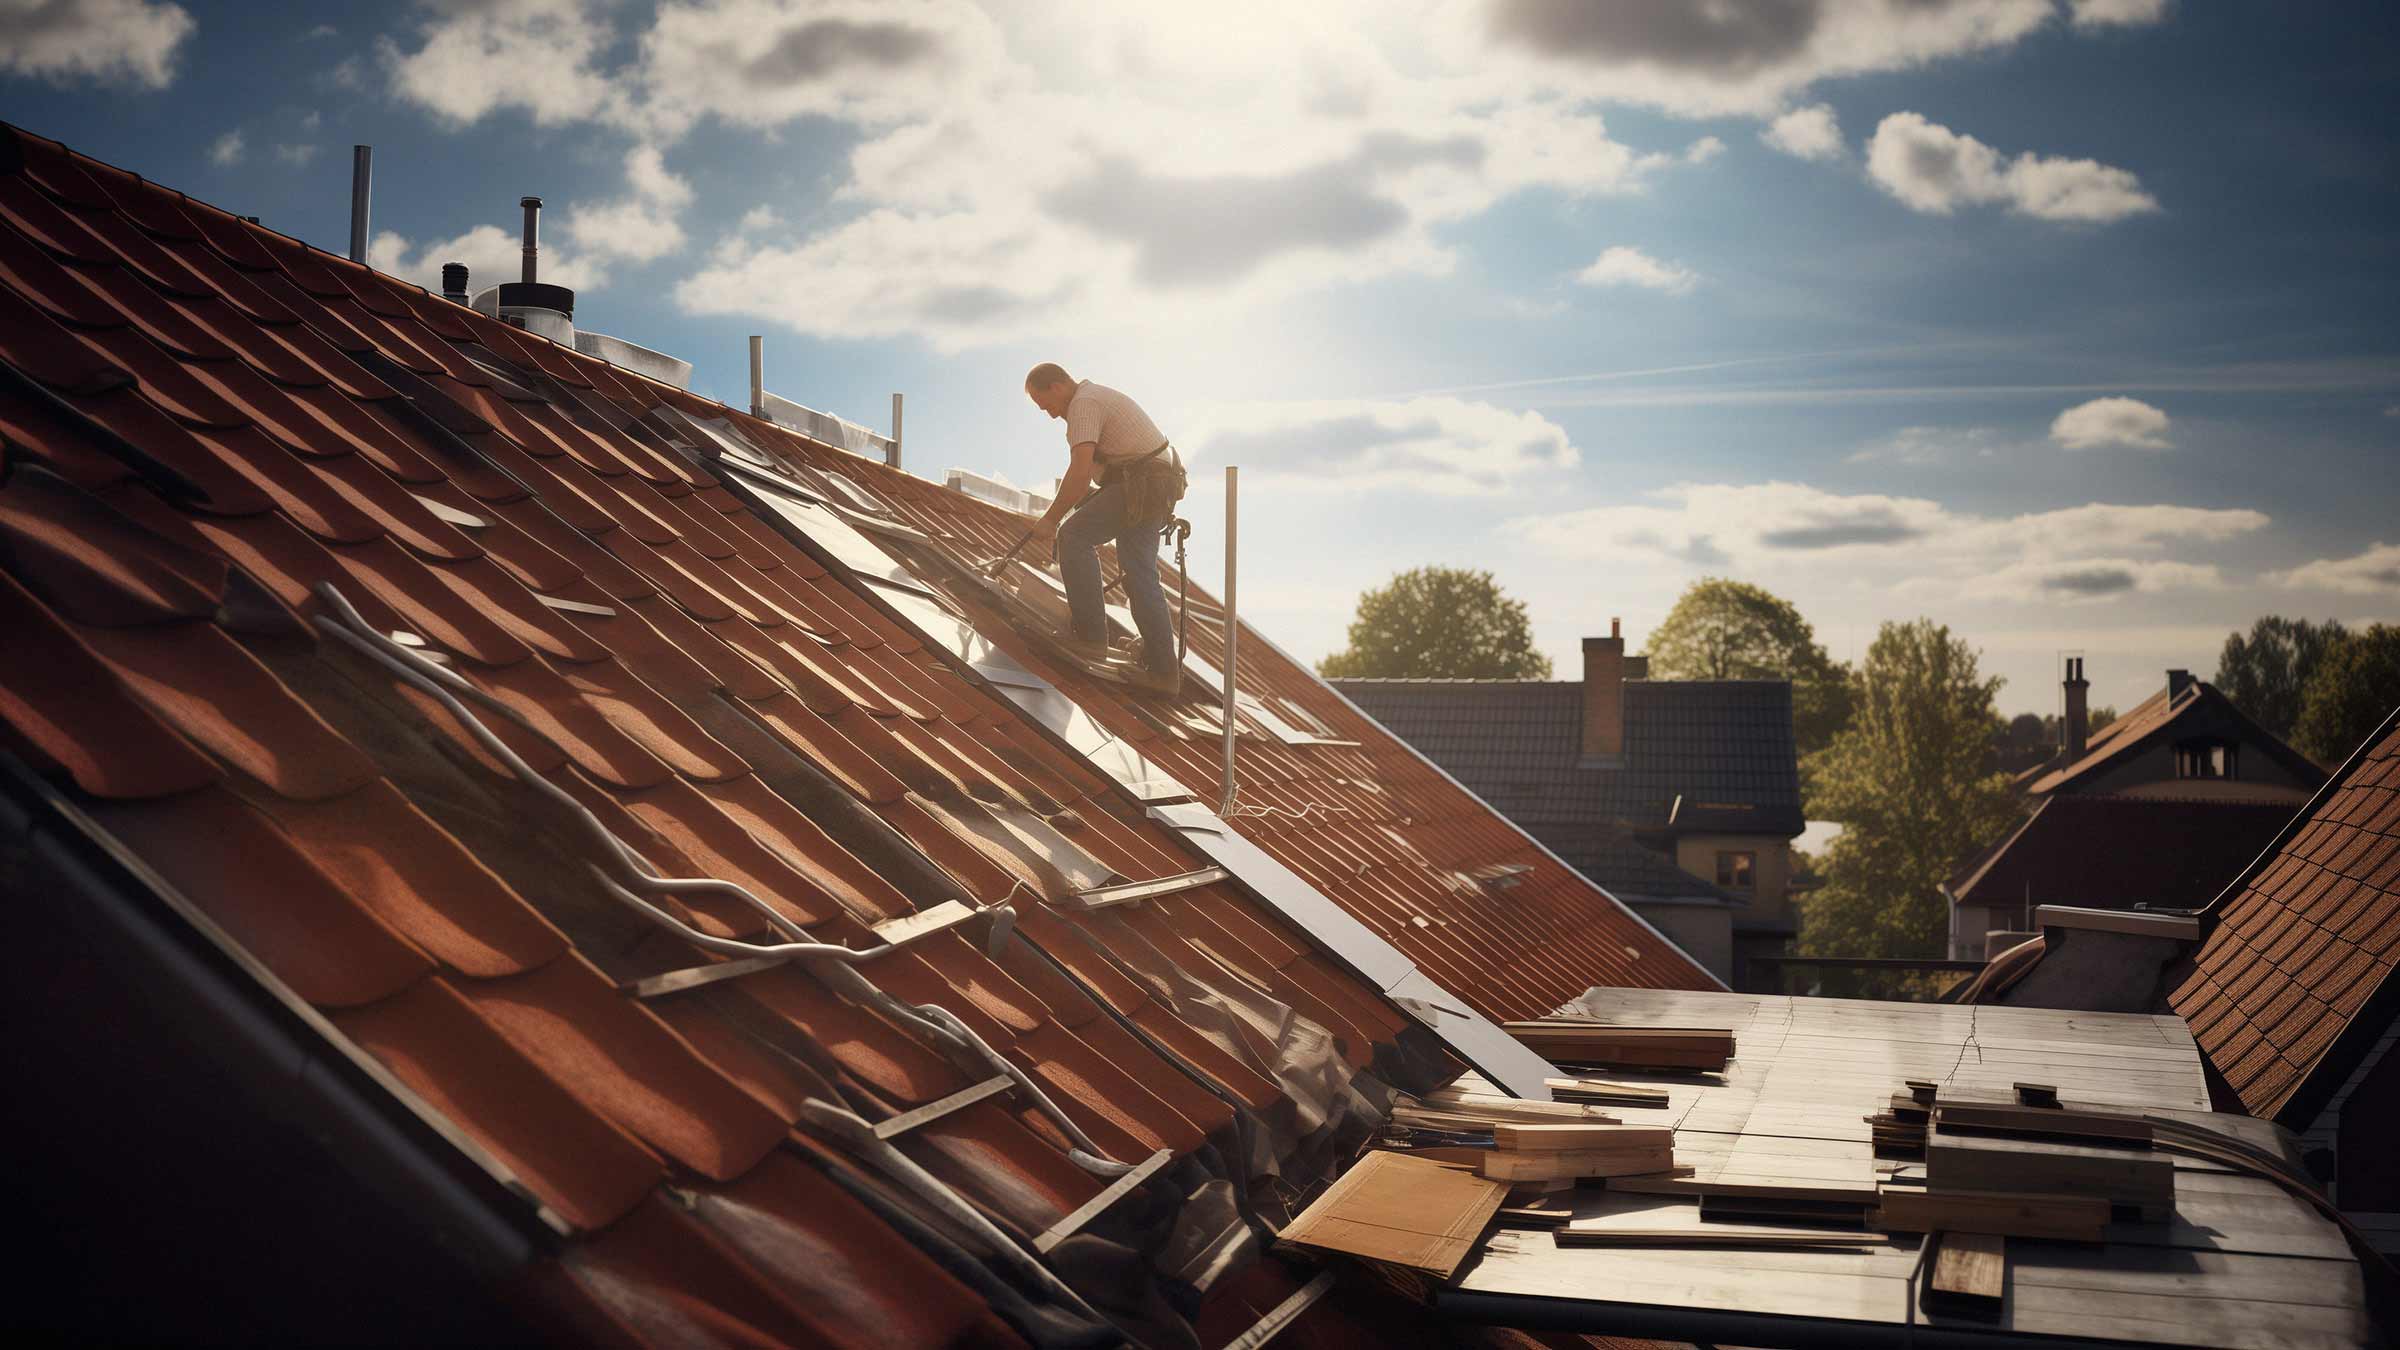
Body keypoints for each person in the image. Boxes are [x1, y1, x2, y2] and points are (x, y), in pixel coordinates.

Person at [1023, 363, 1187, 696]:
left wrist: (1051, 519)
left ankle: (1091, 637)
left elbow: (1080, 472)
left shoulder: (1083, 404)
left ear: (1057, 386)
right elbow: (1097, 478)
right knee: (1139, 573)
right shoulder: (1096, 398)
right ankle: (1163, 671)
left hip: (1142, 484)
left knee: (1073, 536)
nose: (1052, 415)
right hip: (1155, 486)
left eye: (1047, 405)